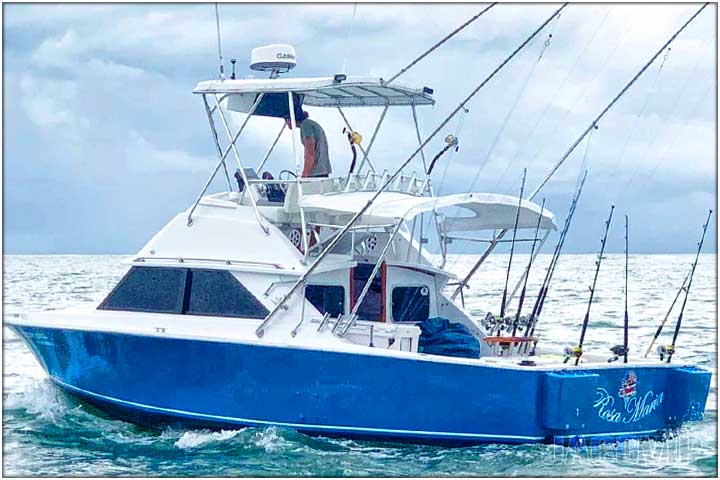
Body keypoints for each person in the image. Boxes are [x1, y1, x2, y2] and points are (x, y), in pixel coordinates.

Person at [284, 111, 332, 178]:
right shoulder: (310, 124)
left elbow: (310, 152)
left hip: (315, 173)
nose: (286, 122)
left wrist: (304, 175)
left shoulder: (306, 125)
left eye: (286, 119)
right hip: (323, 171)